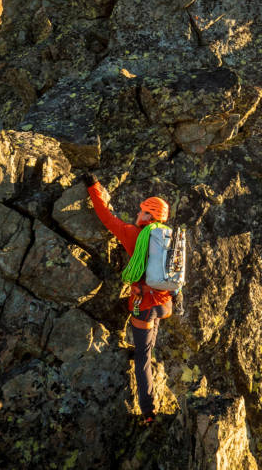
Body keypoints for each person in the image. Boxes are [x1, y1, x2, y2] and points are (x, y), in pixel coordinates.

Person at [82, 172, 172, 423]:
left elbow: (106, 217)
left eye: (142, 210)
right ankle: (149, 397)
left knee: (143, 357)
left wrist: (93, 186)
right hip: (164, 302)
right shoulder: (166, 236)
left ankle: (148, 410)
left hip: (144, 305)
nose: (137, 213)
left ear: (149, 216)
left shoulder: (134, 234)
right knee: (147, 347)